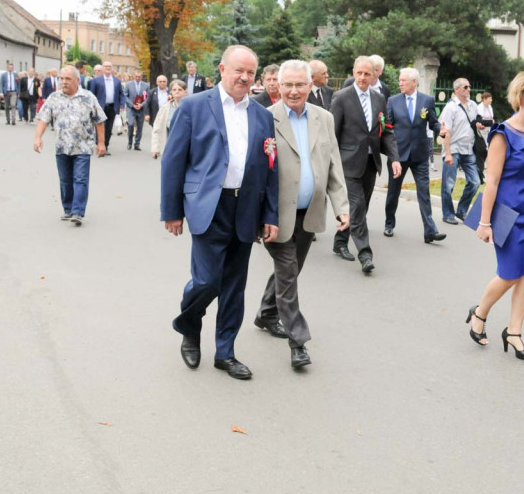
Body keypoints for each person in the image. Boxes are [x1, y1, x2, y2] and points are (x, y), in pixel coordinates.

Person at [160, 44, 279, 381]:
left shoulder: (262, 116)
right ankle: (189, 323)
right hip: (208, 206)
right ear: (222, 69)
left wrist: (270, 215)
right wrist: (172, 211)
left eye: (250, 73)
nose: (244, 77)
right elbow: (174, 161)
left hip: (246, 208)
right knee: (207, 281)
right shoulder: (195, 107)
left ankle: (225, 353)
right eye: (238, 70)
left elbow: (271, 169)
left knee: (234, 286)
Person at [251, 60, 350, 368]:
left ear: (311, 86)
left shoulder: (324, 118)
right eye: (287, 85)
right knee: (288, 271)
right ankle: (298, 341)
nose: (293, 91)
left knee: (291, 271)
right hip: (275, 215)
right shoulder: (264, 118)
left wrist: (342, 208)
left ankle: (266, 312)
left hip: (309, 213)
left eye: (299, 85)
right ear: (278, 86)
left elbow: (333, 165)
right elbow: (255, 173)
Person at [467, 71, 524, 361]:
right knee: (509, 274)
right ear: (519, 96)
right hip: (507, 213)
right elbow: (491, 181)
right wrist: (485, 222)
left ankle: (514, 332)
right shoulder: (502, 133)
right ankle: (479, 312)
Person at [330, 56, 400, 274]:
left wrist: (395, 158)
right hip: (347, 163)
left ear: (374, 75)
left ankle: (340, 242)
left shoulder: (379, 99)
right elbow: (333, 133)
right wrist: (330, 164)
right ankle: (365, 254)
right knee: (357, 207)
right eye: (359, 73)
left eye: (367, 74)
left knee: (361, 207)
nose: (362, 77)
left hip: (371, 162)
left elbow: (386, 130)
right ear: (353, 72)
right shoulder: (341, 97)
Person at [32, 66, 107, 225]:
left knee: (80, 179)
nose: (64, 82)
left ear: (77, 81)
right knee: (65, 180)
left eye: (68, 79)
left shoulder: (88, 97)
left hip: (83, 146)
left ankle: (78, 212)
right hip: (62, 146)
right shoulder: (54, 97)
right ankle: (68, 208)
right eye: (62, 78)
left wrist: (101, 143)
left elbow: (99, 121)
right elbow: (44, 119)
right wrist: (38, 137)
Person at [383, 67, 447, 243]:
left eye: (403, 80)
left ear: (414, 82)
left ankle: (430, 231)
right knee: (393, 192)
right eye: (400, 80)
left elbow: (433, 122)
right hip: (398, 155)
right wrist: (391, 153)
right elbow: (388, 129)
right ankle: (389, 223)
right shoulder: (393, 101)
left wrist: (440, 130)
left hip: (420, 155)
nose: (400, 83)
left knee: (424, 192)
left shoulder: (427, 100)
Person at [439, 77, 481, 225]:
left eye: (469, 87)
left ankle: (461, 211)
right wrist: (448, 153)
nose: (468, 89)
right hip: (454, 148)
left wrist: (480, 125)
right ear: (456, 90)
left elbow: (475, 122)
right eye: (465, 87)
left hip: (468, 149)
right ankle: (448, 214)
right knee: (449, 184)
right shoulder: (450, 108)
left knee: (475, 182)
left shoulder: (473, 105)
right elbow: (445, 131)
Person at [89, 61, 124, 153]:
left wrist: (122, 105)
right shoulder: (96, 80)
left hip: (112, 107)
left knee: (109, 128)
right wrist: (92, 106)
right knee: (100, 126)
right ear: (102, 68)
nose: (108, 68)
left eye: (109, 66)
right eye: (106, 66)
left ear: (112, 68)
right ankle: (99, 144)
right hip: (100, 107)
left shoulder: (117, 81)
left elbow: (121, 94)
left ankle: (106, 145)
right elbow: (91, 94)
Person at [150, 80, 186, 159]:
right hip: (169, 146)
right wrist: (155, 148)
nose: (177, 92)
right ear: (171, 92)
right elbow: (157, 129)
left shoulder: (191, 107)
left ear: (185, 92)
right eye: (174, 90)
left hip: (186, 146)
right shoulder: (164, 108)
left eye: (180, 90)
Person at [122, 69, 150, 150]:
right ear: (134, 76)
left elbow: (148, 97)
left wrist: (142, 104)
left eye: (139, 76)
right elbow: (125, 96)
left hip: (141, 109)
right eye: (136, 76)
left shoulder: (146, 85)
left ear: (141, 76)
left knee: (140, 127)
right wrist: (132, 104)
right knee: (130, 124)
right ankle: (130, 142)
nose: (138, 78)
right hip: (131, 108)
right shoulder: (128, 85)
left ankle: (137, 144)